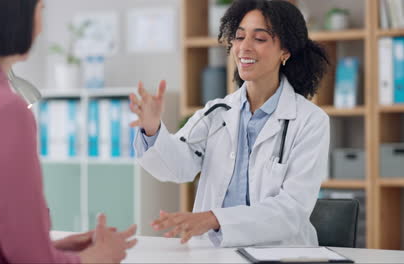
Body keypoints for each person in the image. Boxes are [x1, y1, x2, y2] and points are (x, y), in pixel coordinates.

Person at [0, 0, 136, 262]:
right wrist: (98, 257)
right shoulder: (5, 110)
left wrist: (55, 248)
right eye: (40, 9)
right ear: (14, 16)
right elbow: (30, 259)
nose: (41, 26)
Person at [129, 0, 330, 247]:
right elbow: (176, 167)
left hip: (280, 253)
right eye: (239, 37)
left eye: (260, 39)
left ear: (285, 51)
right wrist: (152, 128)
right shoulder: (217, 112)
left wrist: (214, 218)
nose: (244, 47)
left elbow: (292, 211)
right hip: (215, 252)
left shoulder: (310, 120)